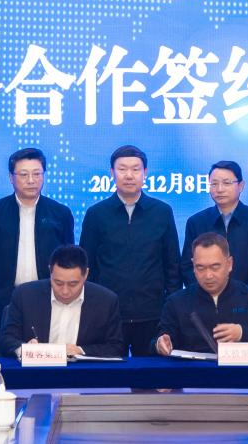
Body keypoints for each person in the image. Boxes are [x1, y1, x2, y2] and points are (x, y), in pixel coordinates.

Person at [80, 145, 182, 356]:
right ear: (112, 173)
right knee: (105, 373)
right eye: (122, 169)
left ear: (145, 173)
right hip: (108, 313)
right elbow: (87, 266)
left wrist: (170, 309)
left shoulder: (162, 212)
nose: (129, 175)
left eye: (135, 169)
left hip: (152, 314)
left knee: (151, 374)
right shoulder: (96, 214)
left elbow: (172, 265)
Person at [0, 148, 75, 355]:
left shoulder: (60, 213)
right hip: (5, 303)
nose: (31, 180)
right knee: (5, 360)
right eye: (23, 174)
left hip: (50, 301)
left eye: (37, 174)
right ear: (11, 177)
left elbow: (68, 260)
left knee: (50, 362)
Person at [155, 233, 248, 356]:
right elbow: (159, 340)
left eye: (215, 267)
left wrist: (242, 334)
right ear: (193, 266)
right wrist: (160, 344)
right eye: (200, 268)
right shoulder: (176, 303)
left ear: (229, 264)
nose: (208, 275)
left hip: (239, 368)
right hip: (193, 369)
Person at [0, 244, 124, 358]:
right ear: (50, 271)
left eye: (73, 284)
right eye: (58, 283)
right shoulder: (25, 295)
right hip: (37, 371)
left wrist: (81, 350)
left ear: (86, 274)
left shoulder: (106, 301)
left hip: (82, 372)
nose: (65, 291)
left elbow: (116, 347)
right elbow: (6, 340)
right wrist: (26, 349)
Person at [180, 160, 248, 295]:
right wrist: (206, 296)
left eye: (226, 183)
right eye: (214, 183)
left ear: (241, 186)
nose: (220, 189)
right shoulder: (196, 222)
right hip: (205, 302)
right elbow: (187, 266)